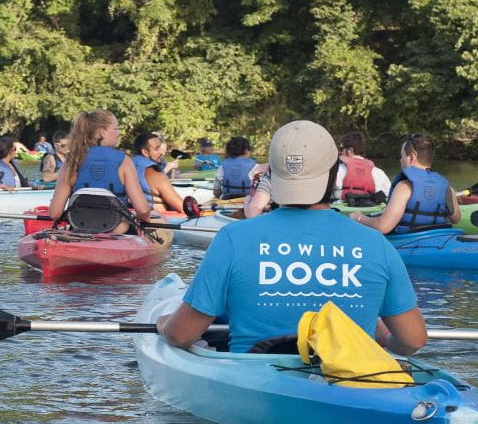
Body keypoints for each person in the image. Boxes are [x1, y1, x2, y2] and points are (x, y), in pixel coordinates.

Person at [157, 120, 427, 355]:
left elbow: (180, 335)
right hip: (349, 382)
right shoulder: (375, 243)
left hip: (253, 379)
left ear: (271, 173)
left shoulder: (232, 237)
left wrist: (163, 324)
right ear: (334, 174)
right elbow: (412, 341)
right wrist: (385, 339)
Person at [48, 109, 151, 230]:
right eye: (115, 128)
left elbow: (55, 213)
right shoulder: (124, 161)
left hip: (80, 231)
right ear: (102, 133)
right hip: (117, 233)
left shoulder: (72, 160)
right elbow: (143, 211)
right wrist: (143, 219)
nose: (118, 132)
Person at [349, 133, 460, 234]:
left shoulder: (404, 187)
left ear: (411, 158)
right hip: (440, 240)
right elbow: (456, 218)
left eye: (402, 156)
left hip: (407, 242)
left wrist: (359, 218)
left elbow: (383, 227)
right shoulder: (447, 188)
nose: (400, 160)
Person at [132, 132, 185, 212]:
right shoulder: (156, 175)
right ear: (145, 152)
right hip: (160, 218)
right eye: (156, 149)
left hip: (134, 216)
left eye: (160, 148)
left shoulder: (127, 167)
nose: (161, 152)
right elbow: (183, 208)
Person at [335, 132, 391, 203]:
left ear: (350, 151)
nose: (340, 152)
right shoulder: (378, 172)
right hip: (370, 207)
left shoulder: (338, 170)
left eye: (341, 149)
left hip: (341, 207)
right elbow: (389, 194)